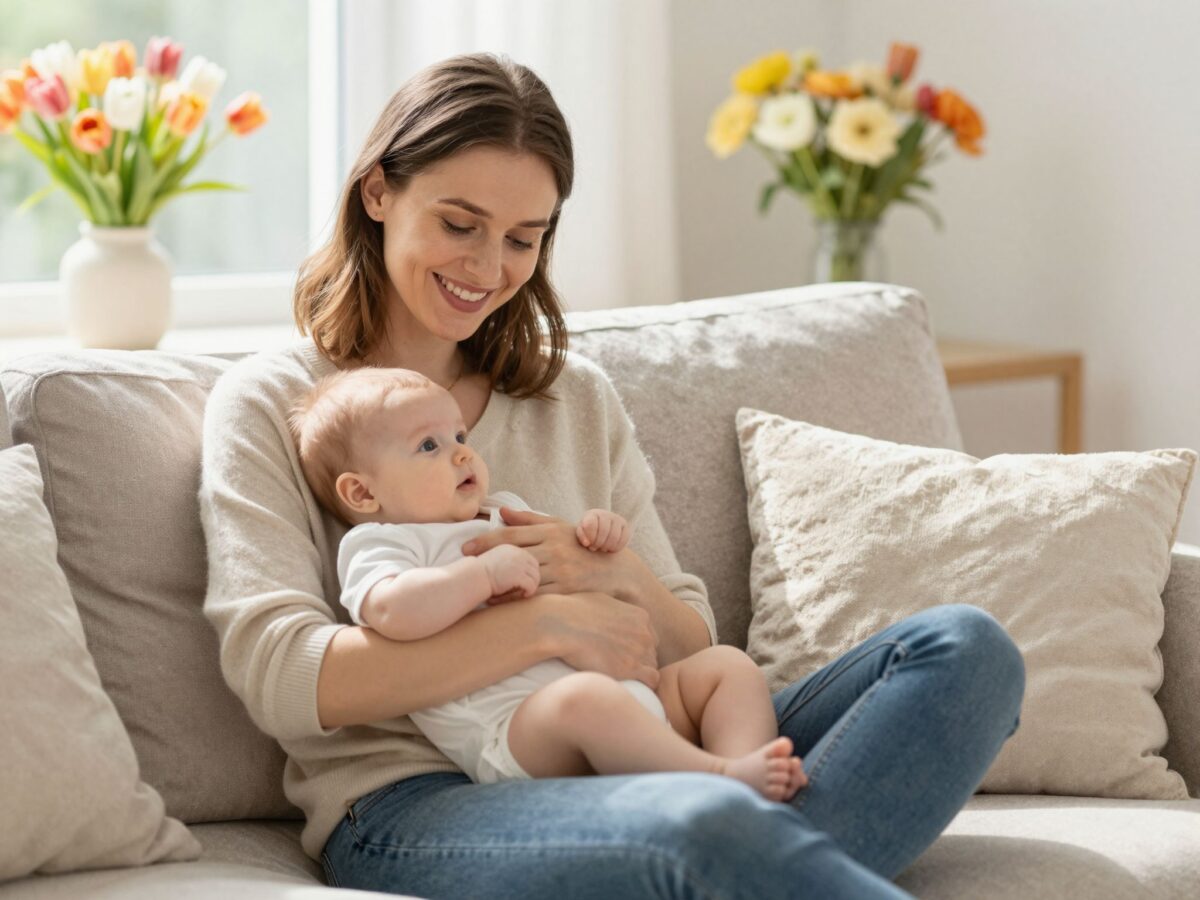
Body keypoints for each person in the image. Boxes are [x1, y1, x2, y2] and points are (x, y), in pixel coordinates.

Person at [199, 51, 1025, 899]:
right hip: (416, 801)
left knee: (965, 650)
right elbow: (284, 676)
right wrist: (548, 626)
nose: (488, 267)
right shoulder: (279, 405)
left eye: (523, 238)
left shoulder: (573, 398)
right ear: (378, 192)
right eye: (459, 224)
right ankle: (742, 849)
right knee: (704, 826)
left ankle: (748, 853)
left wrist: (614, 573)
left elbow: (691, 639)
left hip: (652, 738)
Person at [288, 366, 808, 800]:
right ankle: (721, 783)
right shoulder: (384, 544)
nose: (462, 453)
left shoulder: (504, 511)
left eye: (460, 437)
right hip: (521, 732)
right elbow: (390, 612)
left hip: (630, 699)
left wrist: (602, 540)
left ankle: (749, 775)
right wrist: (480, 575)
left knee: (726, 667)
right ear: (361, 492)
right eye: (428, 445)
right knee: (585, 701)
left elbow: (583, 573)